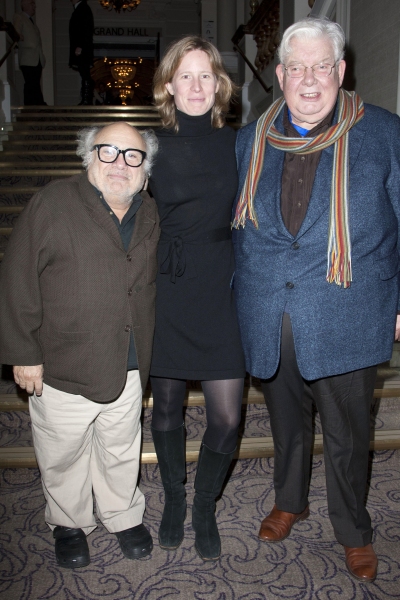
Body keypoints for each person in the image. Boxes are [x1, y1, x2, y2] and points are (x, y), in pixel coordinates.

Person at [232, 17, 400, 583]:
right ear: (279, 74)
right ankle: (290, 499)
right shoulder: (251, 139)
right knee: (286, 421)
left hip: (348, 311)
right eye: (297, 67)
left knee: (348, 431)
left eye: (321, 66)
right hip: (269, 312)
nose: (309, 79)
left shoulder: (383, 132)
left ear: (340, 70)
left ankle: (353, 529)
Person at [0, 123, 160, 569]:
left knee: (120, 447)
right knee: (63, 453)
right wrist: (24, 354)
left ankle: (122, 514)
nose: (119, 164)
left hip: (128, 363)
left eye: (133, 156)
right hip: (62, 364)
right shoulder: (52, 203)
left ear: (145, 173)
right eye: (107, 152)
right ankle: (69, 521)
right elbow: (16, 279)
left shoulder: (149, 211)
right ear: (88, 156)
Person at [150, 36, 246, 561]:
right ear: (169, 86)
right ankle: (173, 498)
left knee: (227, 416)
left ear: (219, 85)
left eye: (205, 75)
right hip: (167, 283)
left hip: (224, 284)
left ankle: (204, 503)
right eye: (184, 76)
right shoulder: (149, 146)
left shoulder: (240, 143)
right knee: (165, 403)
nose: (195, 86)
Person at [13, 0, 46, 105]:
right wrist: (18, 36)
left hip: (37, 58)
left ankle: (38, 104)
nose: (34, 6)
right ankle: (33, 106)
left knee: (35, 83)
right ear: (24, 5)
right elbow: (16, 32)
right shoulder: (19, 17)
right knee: (31, 83)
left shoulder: (31, 21)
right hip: (27, 58)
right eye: (32, 3)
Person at [69, 0, 94, 105]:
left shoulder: (83, 8)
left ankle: (86, 99)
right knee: (84, 73)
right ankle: (86, 99)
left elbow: (85, 29)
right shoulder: (81, 8)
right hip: (82, 48)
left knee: (85, 73)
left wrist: (80, 46)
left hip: (82, 49)